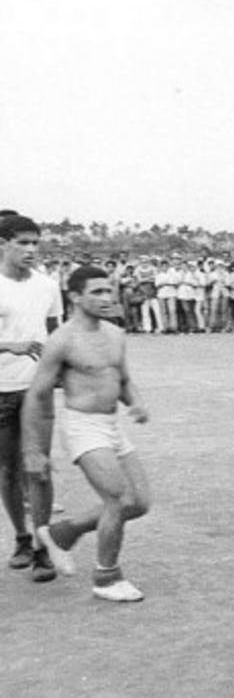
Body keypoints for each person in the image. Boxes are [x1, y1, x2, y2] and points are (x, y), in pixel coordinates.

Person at [22, 266, 152, 600]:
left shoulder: (115, 333)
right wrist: (34, 450)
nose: (107, 298)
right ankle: (107, 577)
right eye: (97, 292)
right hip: (82, 426)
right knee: (118, 498)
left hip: (111, 425)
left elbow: (122, 380)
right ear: (75, 297)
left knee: (139, 503)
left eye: (109, 290)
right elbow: (37, 396)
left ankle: (62, 533)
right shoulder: (62, 340)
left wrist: (136, 402)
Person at [0, 215, 63, 581]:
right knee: (9, 472)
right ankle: (21, 539)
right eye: (22, 242)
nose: (30, 250)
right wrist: (11, 345)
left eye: (35, 243)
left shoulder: (47, 286)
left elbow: (57, 333)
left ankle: (43, 546)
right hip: (1, 391)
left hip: (36, 392)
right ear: (3, 243)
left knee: (37, 469)